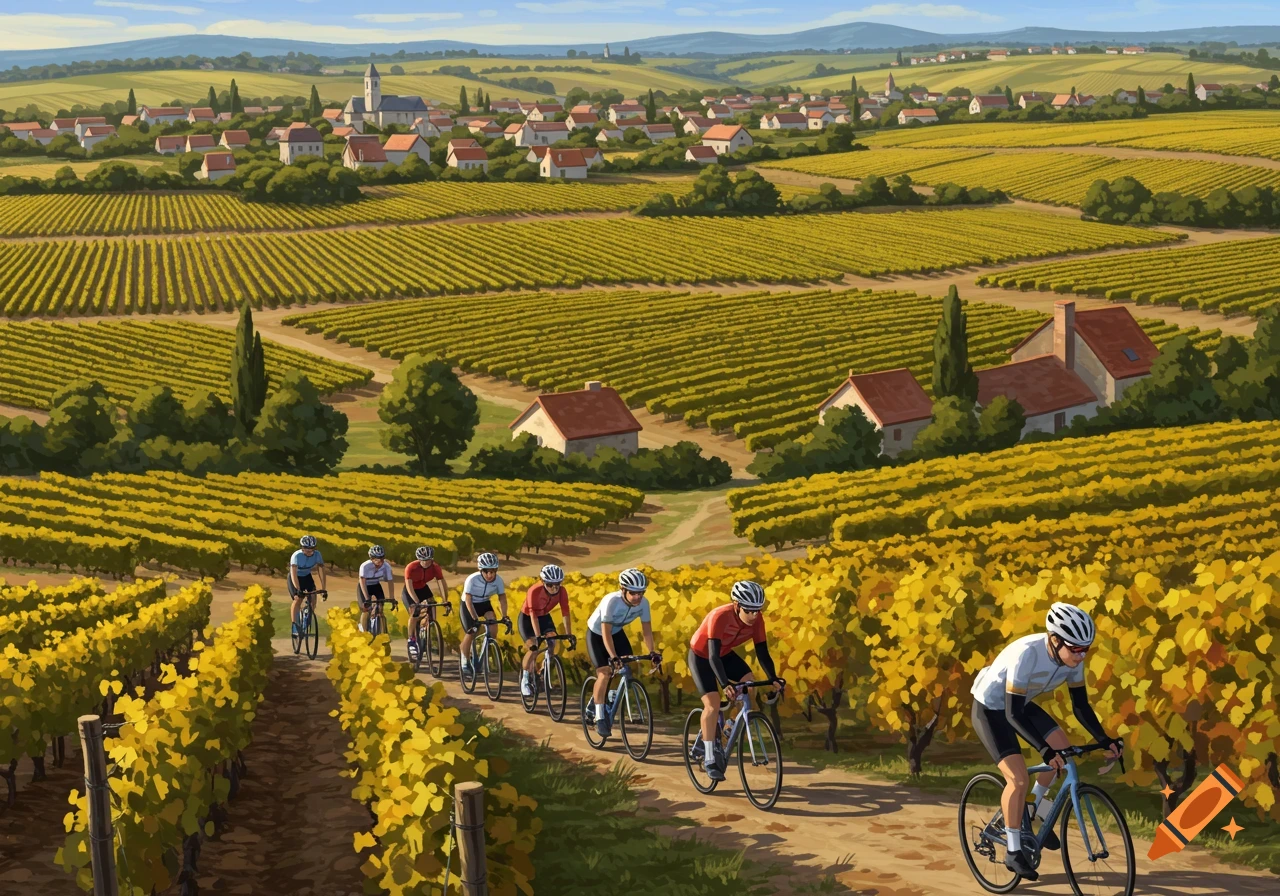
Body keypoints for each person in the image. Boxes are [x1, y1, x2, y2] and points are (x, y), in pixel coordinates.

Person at [970, 603, 1124, 881]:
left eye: (1086, 649)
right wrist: (1044, 749)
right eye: (1076, 649)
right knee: (1018, 779)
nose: (1081, 655)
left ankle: (1031, 807)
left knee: (1063, 752)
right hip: (991, 709)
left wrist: (1104, 739)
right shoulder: (1027, 654)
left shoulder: (1073, 659)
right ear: (1055, 640)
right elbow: (1012, 714)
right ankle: (1013, 850)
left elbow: (1081, 706)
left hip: (1020, 703)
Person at [688, 581, 783, 781]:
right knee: (713, 705)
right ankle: (710, 758)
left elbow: (762, 652)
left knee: (750, 684)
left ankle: (729, 726)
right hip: (702, 656)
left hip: (725, 654)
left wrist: (773, 678)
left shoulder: (757, 619)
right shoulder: (720, 616)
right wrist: (724, 684)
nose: (753, 616)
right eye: (749, 611)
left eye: (757, 610)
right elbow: (712, 656)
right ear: (737, 605)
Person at [585, 568, 661, 739]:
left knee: (626, 666)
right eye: (633, 593)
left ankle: (608, 697)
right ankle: (599, 716)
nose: (637, 597)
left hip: (617, 632)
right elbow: (605, 632)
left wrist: (652, 652)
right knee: (604, 673)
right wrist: (613, 656)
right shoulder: (611, 601)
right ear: (623, 589)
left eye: (641, 593)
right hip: (597, 634)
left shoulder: (644, 604)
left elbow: (647, 631)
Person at [519, 564, 572, 697]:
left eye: (557, 584)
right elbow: (532, 615)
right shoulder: (534, 591)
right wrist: (538, 636)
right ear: (543, 582)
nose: (554, 588)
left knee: (552, 640)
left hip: (544, 616)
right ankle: (525, 679)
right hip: (527, 618)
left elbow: (565, 613)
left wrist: (569, 634)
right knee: (534, 648)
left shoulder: (562, 591)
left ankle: (543, 671)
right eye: (550, 585)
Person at [460, 552, 508, 677]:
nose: (490, 575)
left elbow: (502, 599)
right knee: (471, 631)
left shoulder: (498, 580)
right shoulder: (472, 579)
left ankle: (485, 652)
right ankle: (465, 660)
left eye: (493, 571)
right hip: (469, 604)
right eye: (486, 571)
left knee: (493, 627)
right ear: (481, 570)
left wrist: (505, 616)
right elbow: (468, 600)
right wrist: (475, 618)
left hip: (484, 603)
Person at [402, 545, 448, 655]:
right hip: (410, 590)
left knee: (432, 604)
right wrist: (416, 602)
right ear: (419, 559)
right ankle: (411, 640)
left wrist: (445, 600)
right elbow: (409, 586)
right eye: (423, 560)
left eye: (429, 560)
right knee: (414, 613)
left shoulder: (435, 567)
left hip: (423, 588)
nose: (426, 563)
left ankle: (430, 630)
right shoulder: (411, 567)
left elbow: (441, 583)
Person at [288, 535, 326, 633]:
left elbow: (321, 570)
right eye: (306, 549)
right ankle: (295, 625)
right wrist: (298, 589)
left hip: (307, 576)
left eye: (311, 549)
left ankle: (307, 615)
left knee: (313, 599)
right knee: (298, 599)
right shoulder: (296, 556)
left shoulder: (317, 555)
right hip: (295, 577)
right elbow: (293, 573)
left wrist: (323, 588)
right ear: (302, 548)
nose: (309, 551)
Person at [357, 545, 394, 633]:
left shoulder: (386, 566)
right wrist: (367, 598)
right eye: (376, 559)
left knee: (380, 607)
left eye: (381, 558)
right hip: (364, 586)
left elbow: (390, 582)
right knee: (365, 608)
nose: (380, 561)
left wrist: (392, 598)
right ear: (371, 558)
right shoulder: (365, 566)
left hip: (376, 585)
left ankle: (383, 631)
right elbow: (362, 581)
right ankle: (363, 631)